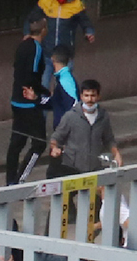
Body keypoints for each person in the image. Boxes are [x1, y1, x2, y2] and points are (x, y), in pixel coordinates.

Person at [7, 14, 50, 185]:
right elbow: (32, 76)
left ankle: (10, 181)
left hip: (16, 99)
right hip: (28, 103)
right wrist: (43, 93)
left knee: (17, 142)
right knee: (39, 143)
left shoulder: (22, 45)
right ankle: (19, 179)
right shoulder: (36, 48)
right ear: (44, 30)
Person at [47, 79, 122, 176]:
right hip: (72, 169)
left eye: (93, 95)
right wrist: (54, 148)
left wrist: (116, 154)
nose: (89, 99)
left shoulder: (103, 116)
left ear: (98, 96)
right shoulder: (70, 116)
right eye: (86, 96)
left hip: (95, 168)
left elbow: (109, 139)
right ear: (81, 97)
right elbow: (56, 138)